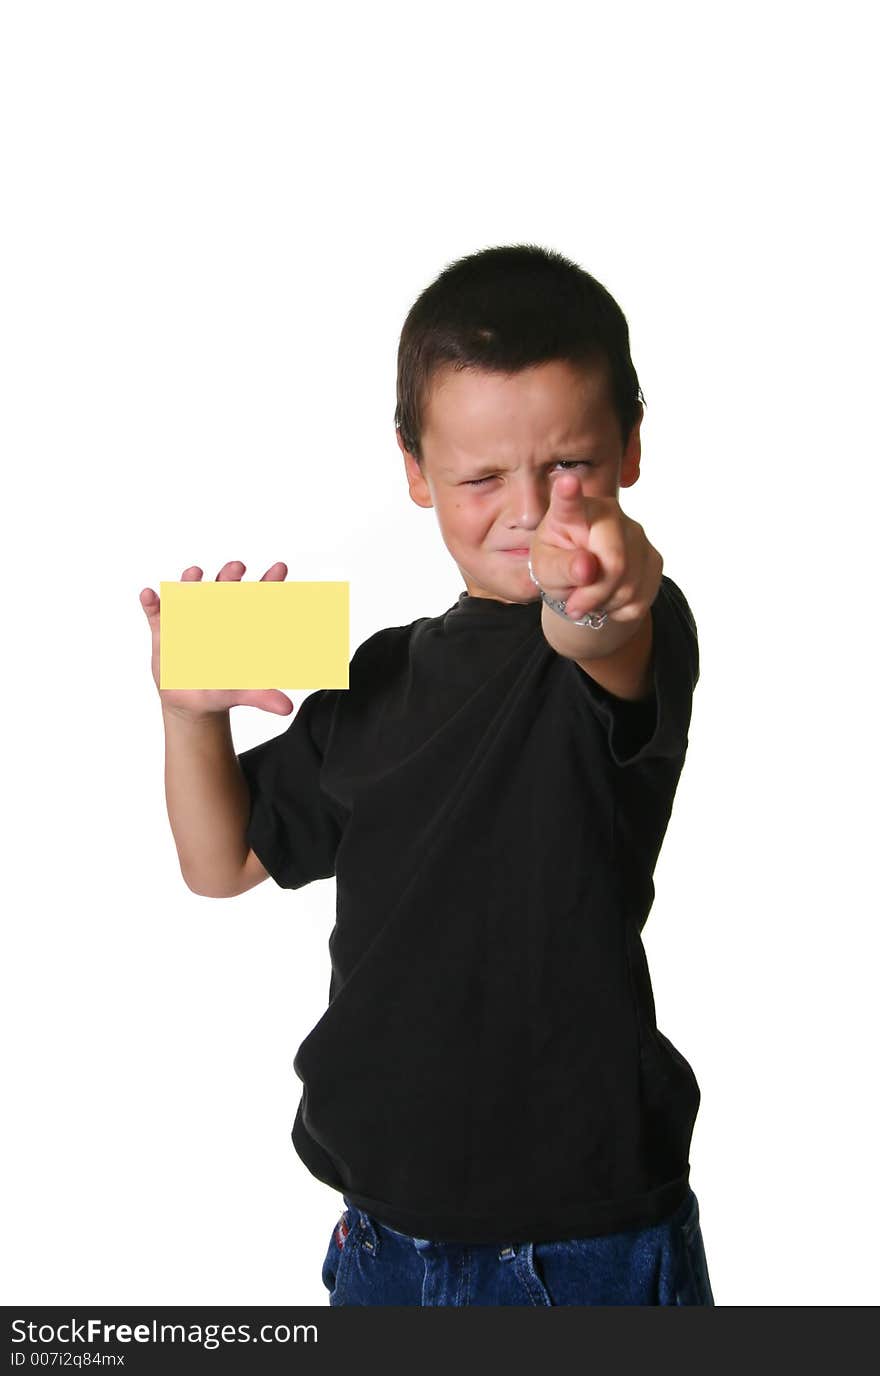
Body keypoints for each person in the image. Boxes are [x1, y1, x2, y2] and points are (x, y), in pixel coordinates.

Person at [140, 243, 715, 1306]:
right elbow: (221, 862)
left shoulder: (625, 627)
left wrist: (598, 580)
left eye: (569, 468)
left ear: (631, 447)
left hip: (579, 1247)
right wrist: (189, 718)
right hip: (382, 1240)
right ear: (415, 471)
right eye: (482, 476)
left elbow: (604, 620)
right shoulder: (380, 676)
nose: (529, 508)